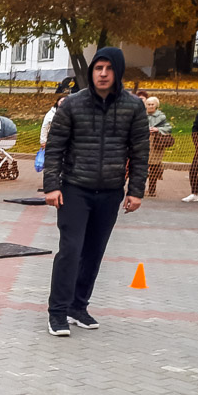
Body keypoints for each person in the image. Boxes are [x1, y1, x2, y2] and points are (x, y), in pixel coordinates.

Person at [43, 47, 148, 337]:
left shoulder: (133, 107)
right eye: (98, 68)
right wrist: (52, 185)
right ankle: (58, 312)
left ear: (118, 72)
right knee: (71, 250)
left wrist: (135, 191)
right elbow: (54, 148)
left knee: (94, 252)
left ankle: (79, 306)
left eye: (108, 68)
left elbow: (140, 152)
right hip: (75, 189)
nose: (102, 74)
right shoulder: (72, 105)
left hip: (111, 191)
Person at [144, 96, 172, 198]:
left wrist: (157, 129)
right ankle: (139, 189)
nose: (150, 106)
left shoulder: (161, 116)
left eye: (152, 104)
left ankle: (152, 190)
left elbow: (168, 128)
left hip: (156, 145)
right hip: (143, 143)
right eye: (148, 104)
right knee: (141, 167)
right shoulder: (141, 114)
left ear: (156, 105)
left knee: (154, 168)